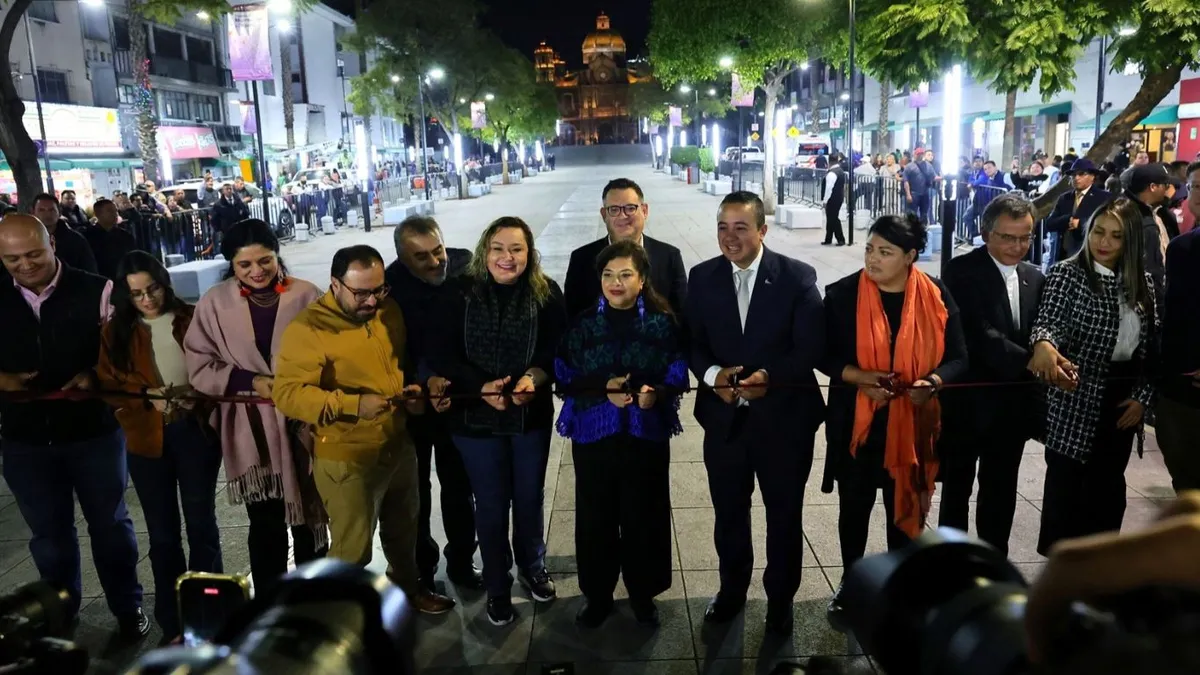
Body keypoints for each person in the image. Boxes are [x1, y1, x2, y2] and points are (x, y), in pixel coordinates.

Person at [273, 245, 455, 613]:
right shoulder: (309, 328)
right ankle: (335, 619)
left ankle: (408, 592)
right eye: (361, 293)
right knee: (352, 548)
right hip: (347, 456)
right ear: (335, 284)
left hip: (397, 443)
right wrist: (353, 405)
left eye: (379, 289)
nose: (371, 301)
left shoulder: (389, 310)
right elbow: (288, 395)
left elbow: (399, 363)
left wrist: (414, 391)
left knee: (404, 532)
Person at [0, 214, 148, 639]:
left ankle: (128, 607)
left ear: (53, 244)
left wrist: (96, 376)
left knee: (111, 527)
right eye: (12, 259)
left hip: (94, 433)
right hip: (25, 439)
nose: (25, 265)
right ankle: (59, 612)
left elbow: (128, 356)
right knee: (49, 536)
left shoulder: (99, 290)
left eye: (33, 254)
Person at [684, 191, 825, 635]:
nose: (730, 237)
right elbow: (691, 342)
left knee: (784, 514)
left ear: (762, 230)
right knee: (728, 512)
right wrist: (712, 375)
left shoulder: (796, 277)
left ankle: (780, 600)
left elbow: (811, 347)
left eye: (741, 227)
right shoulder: (702, 277)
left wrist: (771, 376)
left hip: (785, 422)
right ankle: (732, 591)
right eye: (723, 227)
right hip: (725, 422)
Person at [820, 213, 968, 628]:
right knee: (854, 511)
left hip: (913, 428)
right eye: (870, 249)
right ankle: (851, 585)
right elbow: (822, 354)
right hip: (859, 426)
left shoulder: (935, 295)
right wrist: (858, 377)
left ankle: (899, 590)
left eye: (885, 252)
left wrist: (932, 382)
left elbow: (959, 356)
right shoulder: (843, 294)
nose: (873, 259)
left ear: (910, 256)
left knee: (902, 512)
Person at [426, 216, 567, 626]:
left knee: (528, 496)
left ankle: (533, 566)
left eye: (517, 249)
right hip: (473, 417)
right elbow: (442, 352)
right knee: (489, 503)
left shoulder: (546, 293)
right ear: (484, 251)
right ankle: (497, 584)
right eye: (499, 249)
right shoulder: (458, 293)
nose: (508, 257)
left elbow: (557, 349)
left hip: (529, 415)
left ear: (530, 254)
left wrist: (533, 378)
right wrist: (479, 385)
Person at [184, 219, 329, 596]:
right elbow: (199, 363)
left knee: (310, 516)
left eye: (265, 260)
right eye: (244, 264)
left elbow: (333, 353)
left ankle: (311, 599)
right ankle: (269, 600)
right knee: (264, 521)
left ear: (277, 255)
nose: (257, 271)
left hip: (302, 423)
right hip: (251, 428)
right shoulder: (214, 303)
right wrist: (252, 381)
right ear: (231, 265)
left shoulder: (306, 295)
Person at [554, 240, 688, 629]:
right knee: (595, 517)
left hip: (645, 437)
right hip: (594, 438)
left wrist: (655, 393)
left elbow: (677, 372)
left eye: (626, 274)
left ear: (642, 279)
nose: (616, 282)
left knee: (644, 515)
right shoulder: (582, 325)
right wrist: (602, 388)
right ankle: (598, 595)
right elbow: (564, 374)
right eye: (608, 274)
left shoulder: (662, 324)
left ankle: (643, 594)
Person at [95, 251, 222, 643]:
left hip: (194, 432)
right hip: (146, 438)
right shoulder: (116, 331)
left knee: (201, 525)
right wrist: (144, 395)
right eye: (137, 293)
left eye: (153, 289)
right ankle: (172, 620)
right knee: (163, 535)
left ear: (165, 284)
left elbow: (217, 369)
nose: (147, 299)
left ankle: (210, 614)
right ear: (125, 295)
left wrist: (197, 396)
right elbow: (108, 384)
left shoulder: (192, 318)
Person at [1028, 198, 1159, 556]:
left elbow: (1151, 350)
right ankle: (1062, 571)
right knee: (1067, 490)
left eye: (1116, 236)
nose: (1104, 242)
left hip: (1121, 401)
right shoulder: (1067, 274)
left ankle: (1100, 567)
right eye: (1098, 231)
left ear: (1130, 240)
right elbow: (1049, 322)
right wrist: (1044, 344)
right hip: (1075, 395)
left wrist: (1143, 398)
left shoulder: (1142, 283)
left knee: (1107, 491)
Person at [938, 194, 1045, 554]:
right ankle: (952, 561)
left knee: (1000, 488)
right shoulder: (961, 270)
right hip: (968, 401)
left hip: (1013, 407)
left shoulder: (1034, 276)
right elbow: (976, 331)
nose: (1018, 246)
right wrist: (1030, 361)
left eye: (1025, 237)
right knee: (957, 486)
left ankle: (993, 558)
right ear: (986, 234)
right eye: (1008, 237)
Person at [383, 216, 482, 592]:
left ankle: (462, 560)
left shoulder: (464, 266)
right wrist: (420, 382)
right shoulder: (390, 287)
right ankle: (421, 566)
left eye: (437, 250)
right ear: (402, 258)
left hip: (456, 397)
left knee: (459, 485)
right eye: (421, 257)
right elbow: (389, 348)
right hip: (413, 403)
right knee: (415, 491)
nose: (435, 261)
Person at [563, 178, 688, 319]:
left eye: (630, 208)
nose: (622, 216)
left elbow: (681, 316)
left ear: (644, 211)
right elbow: (572, 317)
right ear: (604, 215)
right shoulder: (581, 260)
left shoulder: (669, 257)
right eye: (614, 209)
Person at [1154, 161, 1200, 491]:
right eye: (1196, 186)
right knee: (1186, 483)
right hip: (1181, 391)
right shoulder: (1181, 248)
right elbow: (1174, 316)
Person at [1124, 163, 1179, 310]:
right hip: (1145, 303)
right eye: (1165, 185)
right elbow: (1150, 270)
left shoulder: (1158, 212)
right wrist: (1158, 306)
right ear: (1153, 187)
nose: (1169, 190)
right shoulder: (1135, 219)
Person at [1045, 159, 1112, 262]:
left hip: (1088, 255)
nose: (1076, 178)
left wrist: (1080, 223)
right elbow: (1049, 223)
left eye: (1081, 174)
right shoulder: (1065, 198)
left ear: (1092, 176)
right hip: (1063, 256)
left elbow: (1106, 224)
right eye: (1073, 175)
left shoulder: (1103, 198)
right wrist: (1067, 219)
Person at [30, 192, 97, 274]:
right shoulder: (25, 239)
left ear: (59, 212)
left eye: (51, 210)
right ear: (33, 213)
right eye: (41, 210)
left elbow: (90, 270)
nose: (47, 214)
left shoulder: (76, 240)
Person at [82, 198, 138, 281]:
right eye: (110, 211)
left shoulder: (125, 235)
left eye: (116, 211)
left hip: (123, 279)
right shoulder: (88, 236)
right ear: (98, 214)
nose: (115, 214)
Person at [822, 154, 848, 246]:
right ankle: (828, 238)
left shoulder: (832, 173)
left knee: (833, 219)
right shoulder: (840, 171)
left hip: (832, 199)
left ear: (829, 161)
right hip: (838, 197)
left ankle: (841, 239)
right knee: (830, 218)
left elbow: (829, 189)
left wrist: (825, 201)